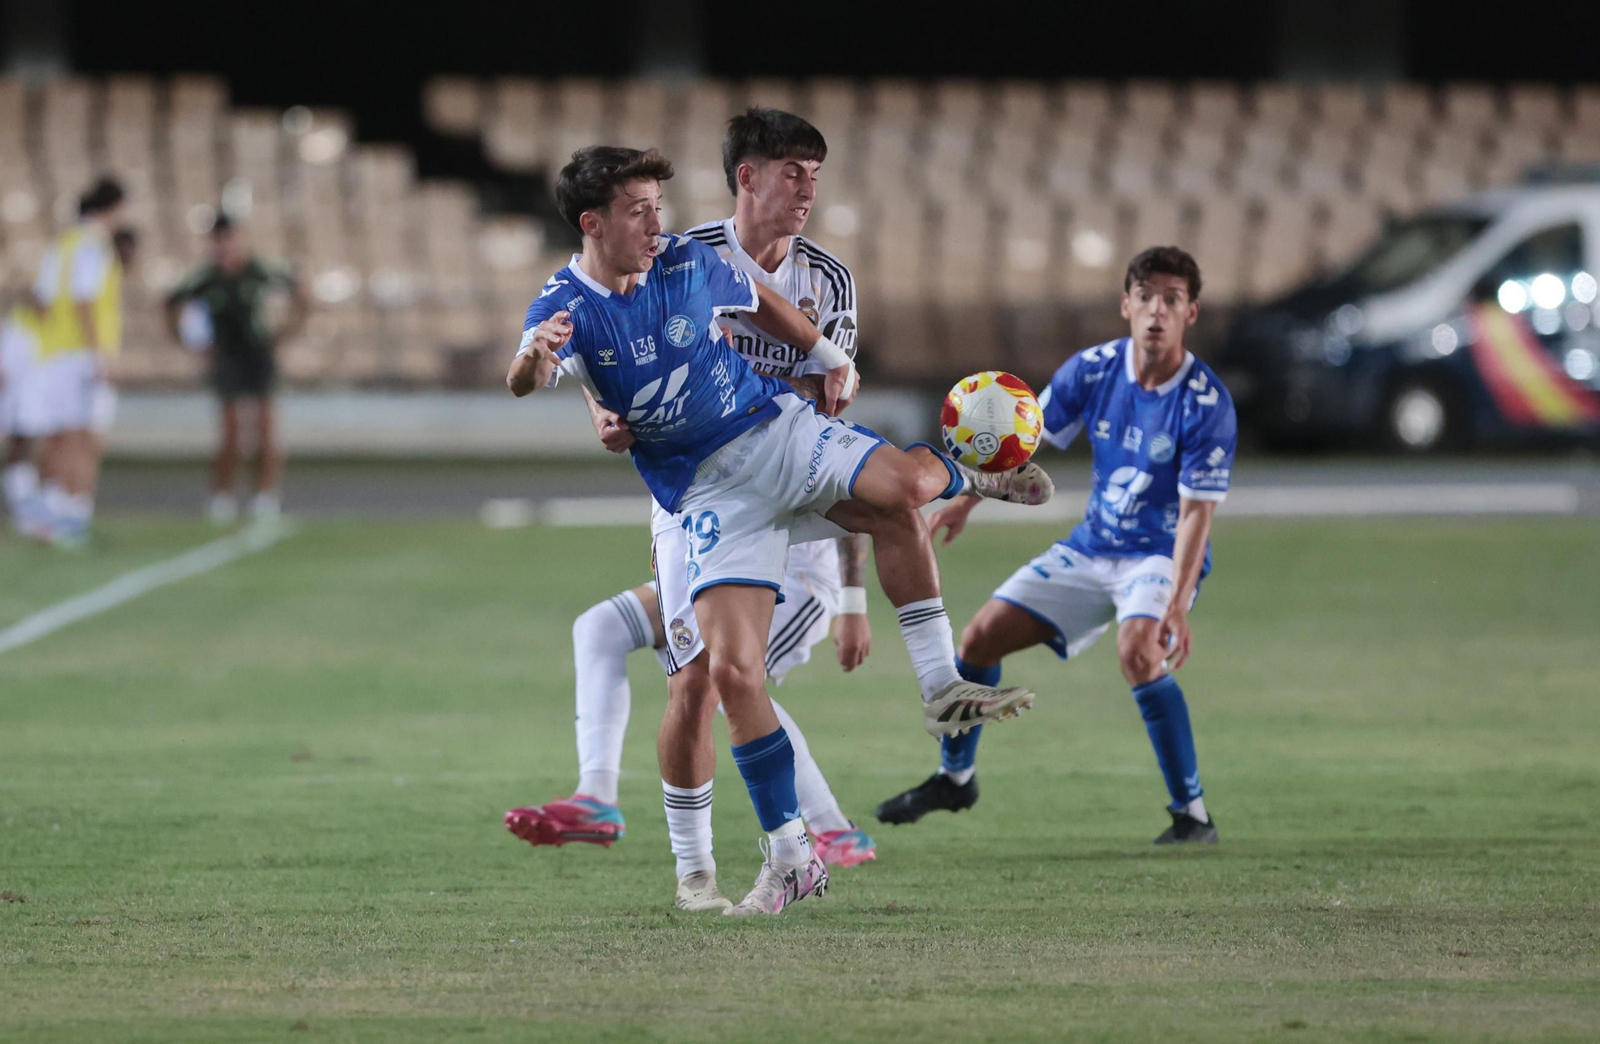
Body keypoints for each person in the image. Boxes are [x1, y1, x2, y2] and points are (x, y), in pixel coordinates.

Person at [507, 145, 1051, 915]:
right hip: (705, 495)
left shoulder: (686, 261)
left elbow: (761, 302)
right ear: (593, 223)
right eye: (638, 211)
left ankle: (948, 623)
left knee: (901, 493)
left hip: (777, 432)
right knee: (725, 677)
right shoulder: (566, 303)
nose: (656, 224)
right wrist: (537, 360)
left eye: (658, 207)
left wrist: (827, 357)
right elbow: (526, 376)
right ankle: (782, 859)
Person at [505, 111, 878, 913]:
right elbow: (588, 358)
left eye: (813, 174)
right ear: (748, 177)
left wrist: (853, 595)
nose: (806, 189)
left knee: (719, 677)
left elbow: (829, 420)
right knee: (681, 670)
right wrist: (596, 408)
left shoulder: (822, 281)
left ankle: (817, 836)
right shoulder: (682, 252)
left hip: (785, 512)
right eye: (792, 171)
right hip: (698, 503)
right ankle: (696, 867)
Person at [874, 246, 1237, 845]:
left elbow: (1198, 513)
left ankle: (1192, 816)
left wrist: (1175, 605)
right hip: (1093, 547)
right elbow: (1022, 440)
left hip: (1158, 554)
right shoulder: (1092, 370)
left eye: (1171, 300)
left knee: (1139, 652)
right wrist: (966, 499)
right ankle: (955, 779)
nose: (1157, 310)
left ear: (1190, 312)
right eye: (1146, 297)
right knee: (979, 638)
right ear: (1126, 305)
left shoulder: (1206, 403)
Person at [164, 213, 309, 523]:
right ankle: (222, 496)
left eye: (228, 238)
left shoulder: (260, 270)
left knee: (265, 430)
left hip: (258, 355)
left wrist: (286, 332)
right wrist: (188, 343)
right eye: (218, 240)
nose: (224, 246)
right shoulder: (206, 277)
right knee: (230, 432)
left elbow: (300, 292)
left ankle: (266, 496)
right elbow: (172, 304)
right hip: (226, 357)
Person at [27, 177, 128, 547]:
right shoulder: (94, 245)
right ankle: (72, 518)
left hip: (52, 354)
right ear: (115, 208)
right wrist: (99, 354)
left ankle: (50, 514)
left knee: (57, 437)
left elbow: (42, 302)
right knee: (82, 438)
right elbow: (84, 300)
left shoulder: (62, 244)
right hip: (79, 357)